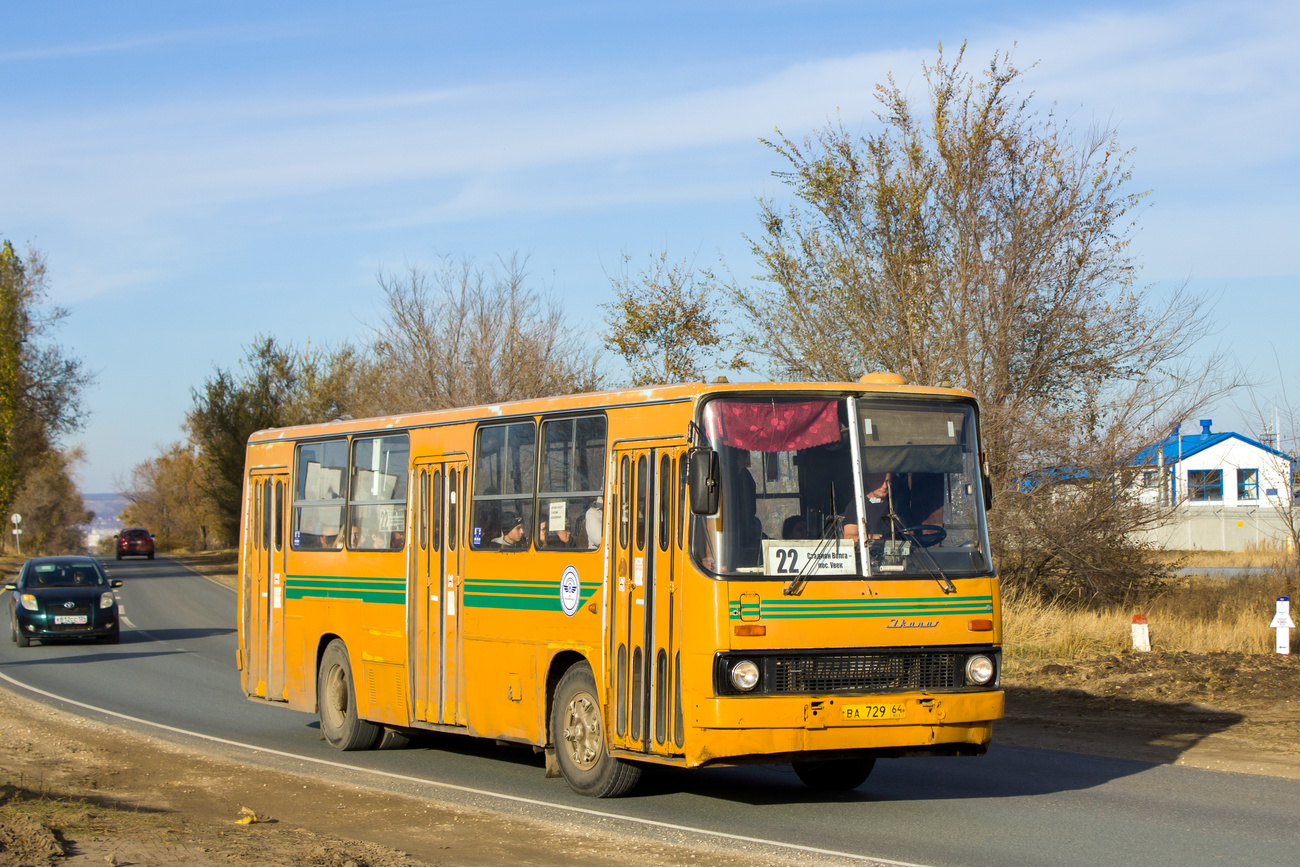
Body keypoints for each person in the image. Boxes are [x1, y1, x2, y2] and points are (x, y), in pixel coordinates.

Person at [842, 472, 893, 542]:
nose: (885, 486)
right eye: (879, 481)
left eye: (888, 481)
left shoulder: (896, 504)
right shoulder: (856, 505)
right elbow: (849, 537)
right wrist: (871, 537)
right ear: (868, 481)